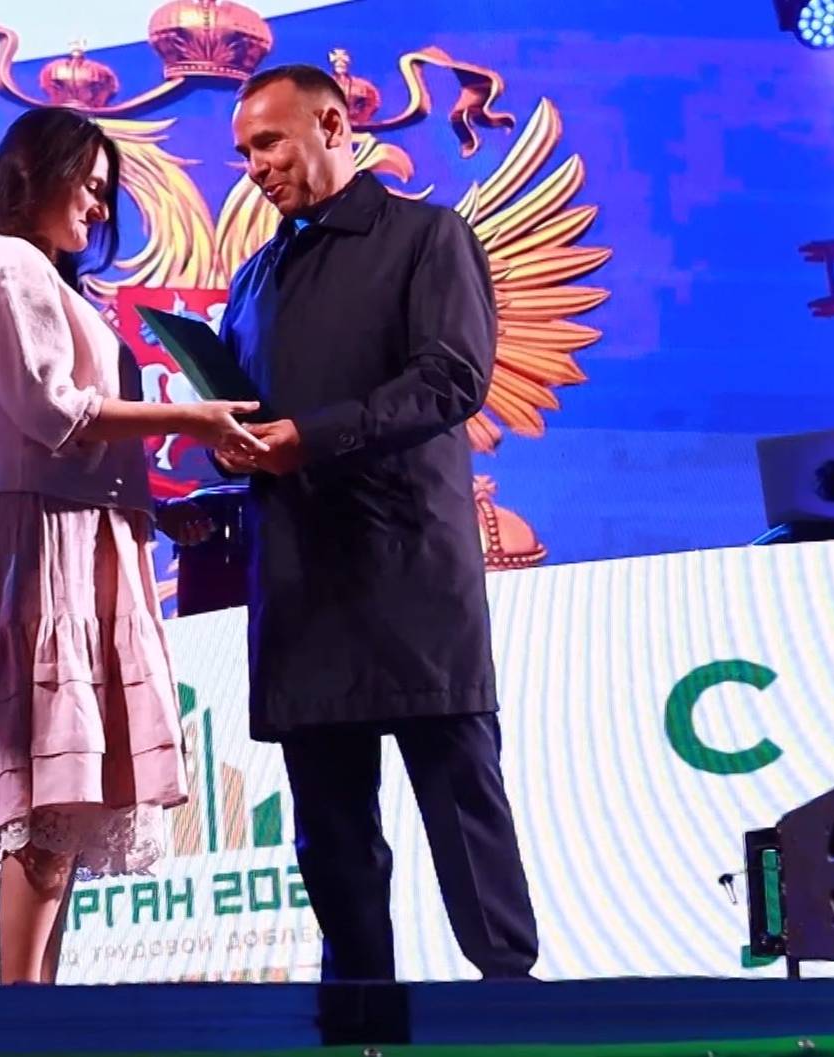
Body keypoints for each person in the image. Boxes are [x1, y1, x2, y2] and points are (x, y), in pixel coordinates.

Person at [0, 107, 268, 985]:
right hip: (40, 544)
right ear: (33, 175)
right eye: (89, 186)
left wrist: (150, 508)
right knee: (44, 791)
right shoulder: (4, 264)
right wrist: (191, 418)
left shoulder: (34, 274)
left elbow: (64, 428)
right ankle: (20, 1010)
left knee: (61, 800)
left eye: (105, 192)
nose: (99, 208)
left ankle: (37, 1005)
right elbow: (51, 412)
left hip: (74, 530)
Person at [213, 64, 539, 982]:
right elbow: (245, 417)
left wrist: (307, 439)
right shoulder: (252, 279)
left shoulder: (428, 236)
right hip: (299, 583)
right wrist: (221, 472)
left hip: (409, 573)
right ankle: (359, 1016)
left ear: (331, 124)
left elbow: (450, 379)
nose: (254, 166)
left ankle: (516, 1012)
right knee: (329, 839)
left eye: (268, 142)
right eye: (244, 151)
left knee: (464, 811)